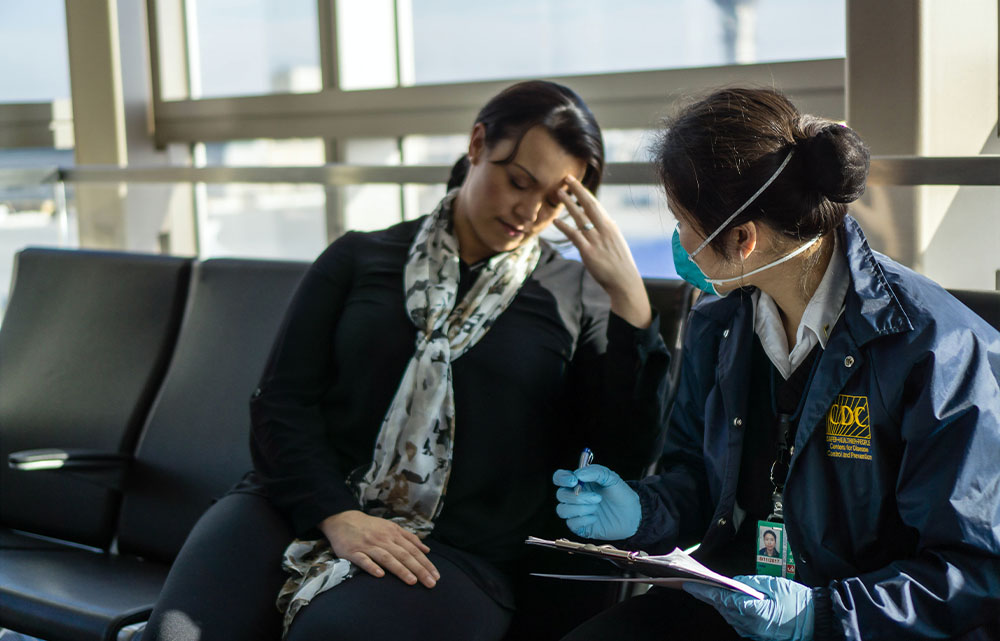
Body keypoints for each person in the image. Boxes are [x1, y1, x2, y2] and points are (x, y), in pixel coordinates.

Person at [143, 80, 672, 641]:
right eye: (518, 181)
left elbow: (617, 458)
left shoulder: (578, 297)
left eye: (555, 201)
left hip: (453, 549)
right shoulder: (359, 257)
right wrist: (337, 515)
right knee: (177, 635)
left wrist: (632, 305)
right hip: (296, 504)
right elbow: (280, 403)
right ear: (476, 145)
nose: (529, 211)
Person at [552, 87, 1000, 640]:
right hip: (742, 602)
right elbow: (695, 477)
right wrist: (639, 510)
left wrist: (820, 616)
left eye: (681, 219)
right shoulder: (719, 324)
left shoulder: (936, 350)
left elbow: (974, 570)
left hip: (862, 623)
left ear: (741, 239)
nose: (677, 239)